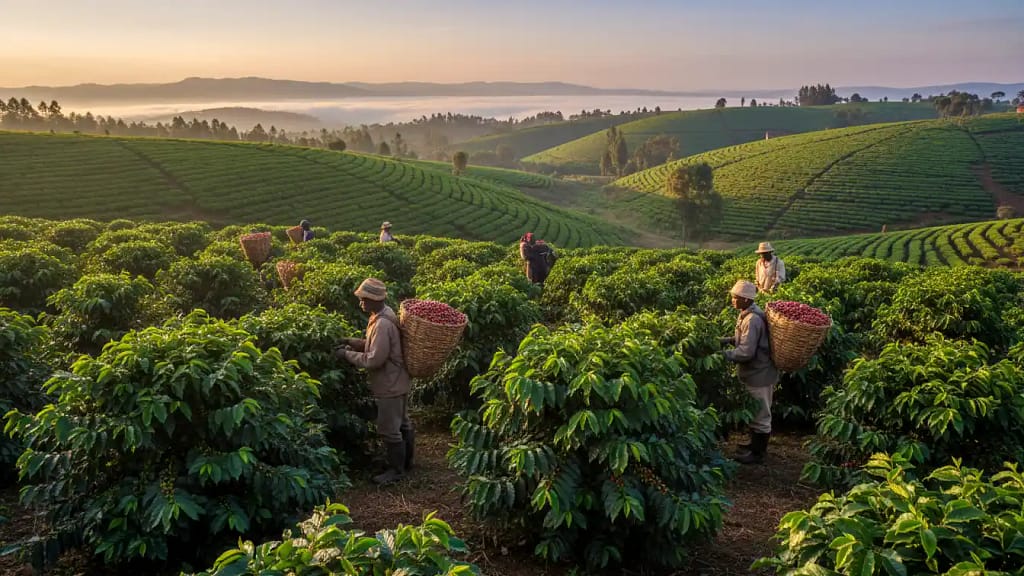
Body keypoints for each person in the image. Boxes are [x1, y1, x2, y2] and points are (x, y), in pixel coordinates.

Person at [335, 278, 413, 484]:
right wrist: (351, 342)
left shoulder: (382, 324)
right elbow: (374, 346)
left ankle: (396, 472)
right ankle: (406, 463)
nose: (361, 303)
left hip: (390, 383)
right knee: (402, 423)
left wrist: (346, 355)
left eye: (363, 299)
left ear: (373, 299)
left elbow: (374, 359)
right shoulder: (383, 315)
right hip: (398, 380)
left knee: (389, 428)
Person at [720, 279, 778, 465]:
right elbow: (743, 339)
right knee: (754, 409)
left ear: (746, 299)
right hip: (753, 373)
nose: (732, 300)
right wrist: (728, 340)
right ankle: (753, 445)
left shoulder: (753, 319)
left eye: (735, 298)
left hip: (759, 374)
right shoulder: (746, 313)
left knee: (761, 413)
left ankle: (758, 453)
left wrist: (724, 355)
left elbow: (746, 352)